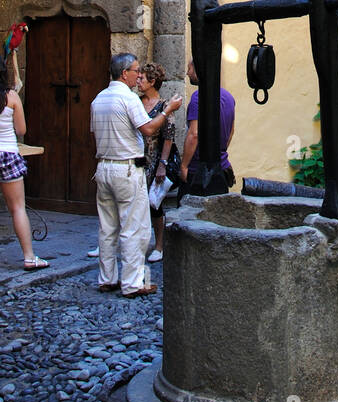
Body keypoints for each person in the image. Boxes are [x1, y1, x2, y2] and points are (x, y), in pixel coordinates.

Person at [90, 53, 182, 296]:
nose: (138, 74)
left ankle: (107, 278)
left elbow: (95, 133)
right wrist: (169, 109)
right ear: (124, 74)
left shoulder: (98, 99)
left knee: (107, 227)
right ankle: (132, 283)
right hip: (127, 168)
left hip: (103, 166)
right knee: (134, 227)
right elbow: (149, 128)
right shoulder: (129, 99)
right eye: (135, 70)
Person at [0, 52, 49, 272]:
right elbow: (21, 130)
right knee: (17, 208)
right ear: (3, 73)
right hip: (5, 152)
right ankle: (29, 257)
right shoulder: (11, 97)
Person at [137, 62, 177, 261]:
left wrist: (163, 164)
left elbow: (169, 137)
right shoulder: (136, 101)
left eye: (142, 78)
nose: (138, 81)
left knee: (154, 204)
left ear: (152, 82)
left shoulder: (164, 106)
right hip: (136, 157)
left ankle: (159, 245)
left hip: (153, 159)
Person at [179, 58, 236, 197]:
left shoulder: (198, 97)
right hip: (221, 166)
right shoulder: (228, 96)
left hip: (199, 169)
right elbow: (231, 131)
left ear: (198, 70)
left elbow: (194, 134)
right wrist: (220, 151)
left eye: (190, 68)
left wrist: (184, 166)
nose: (187, 73)